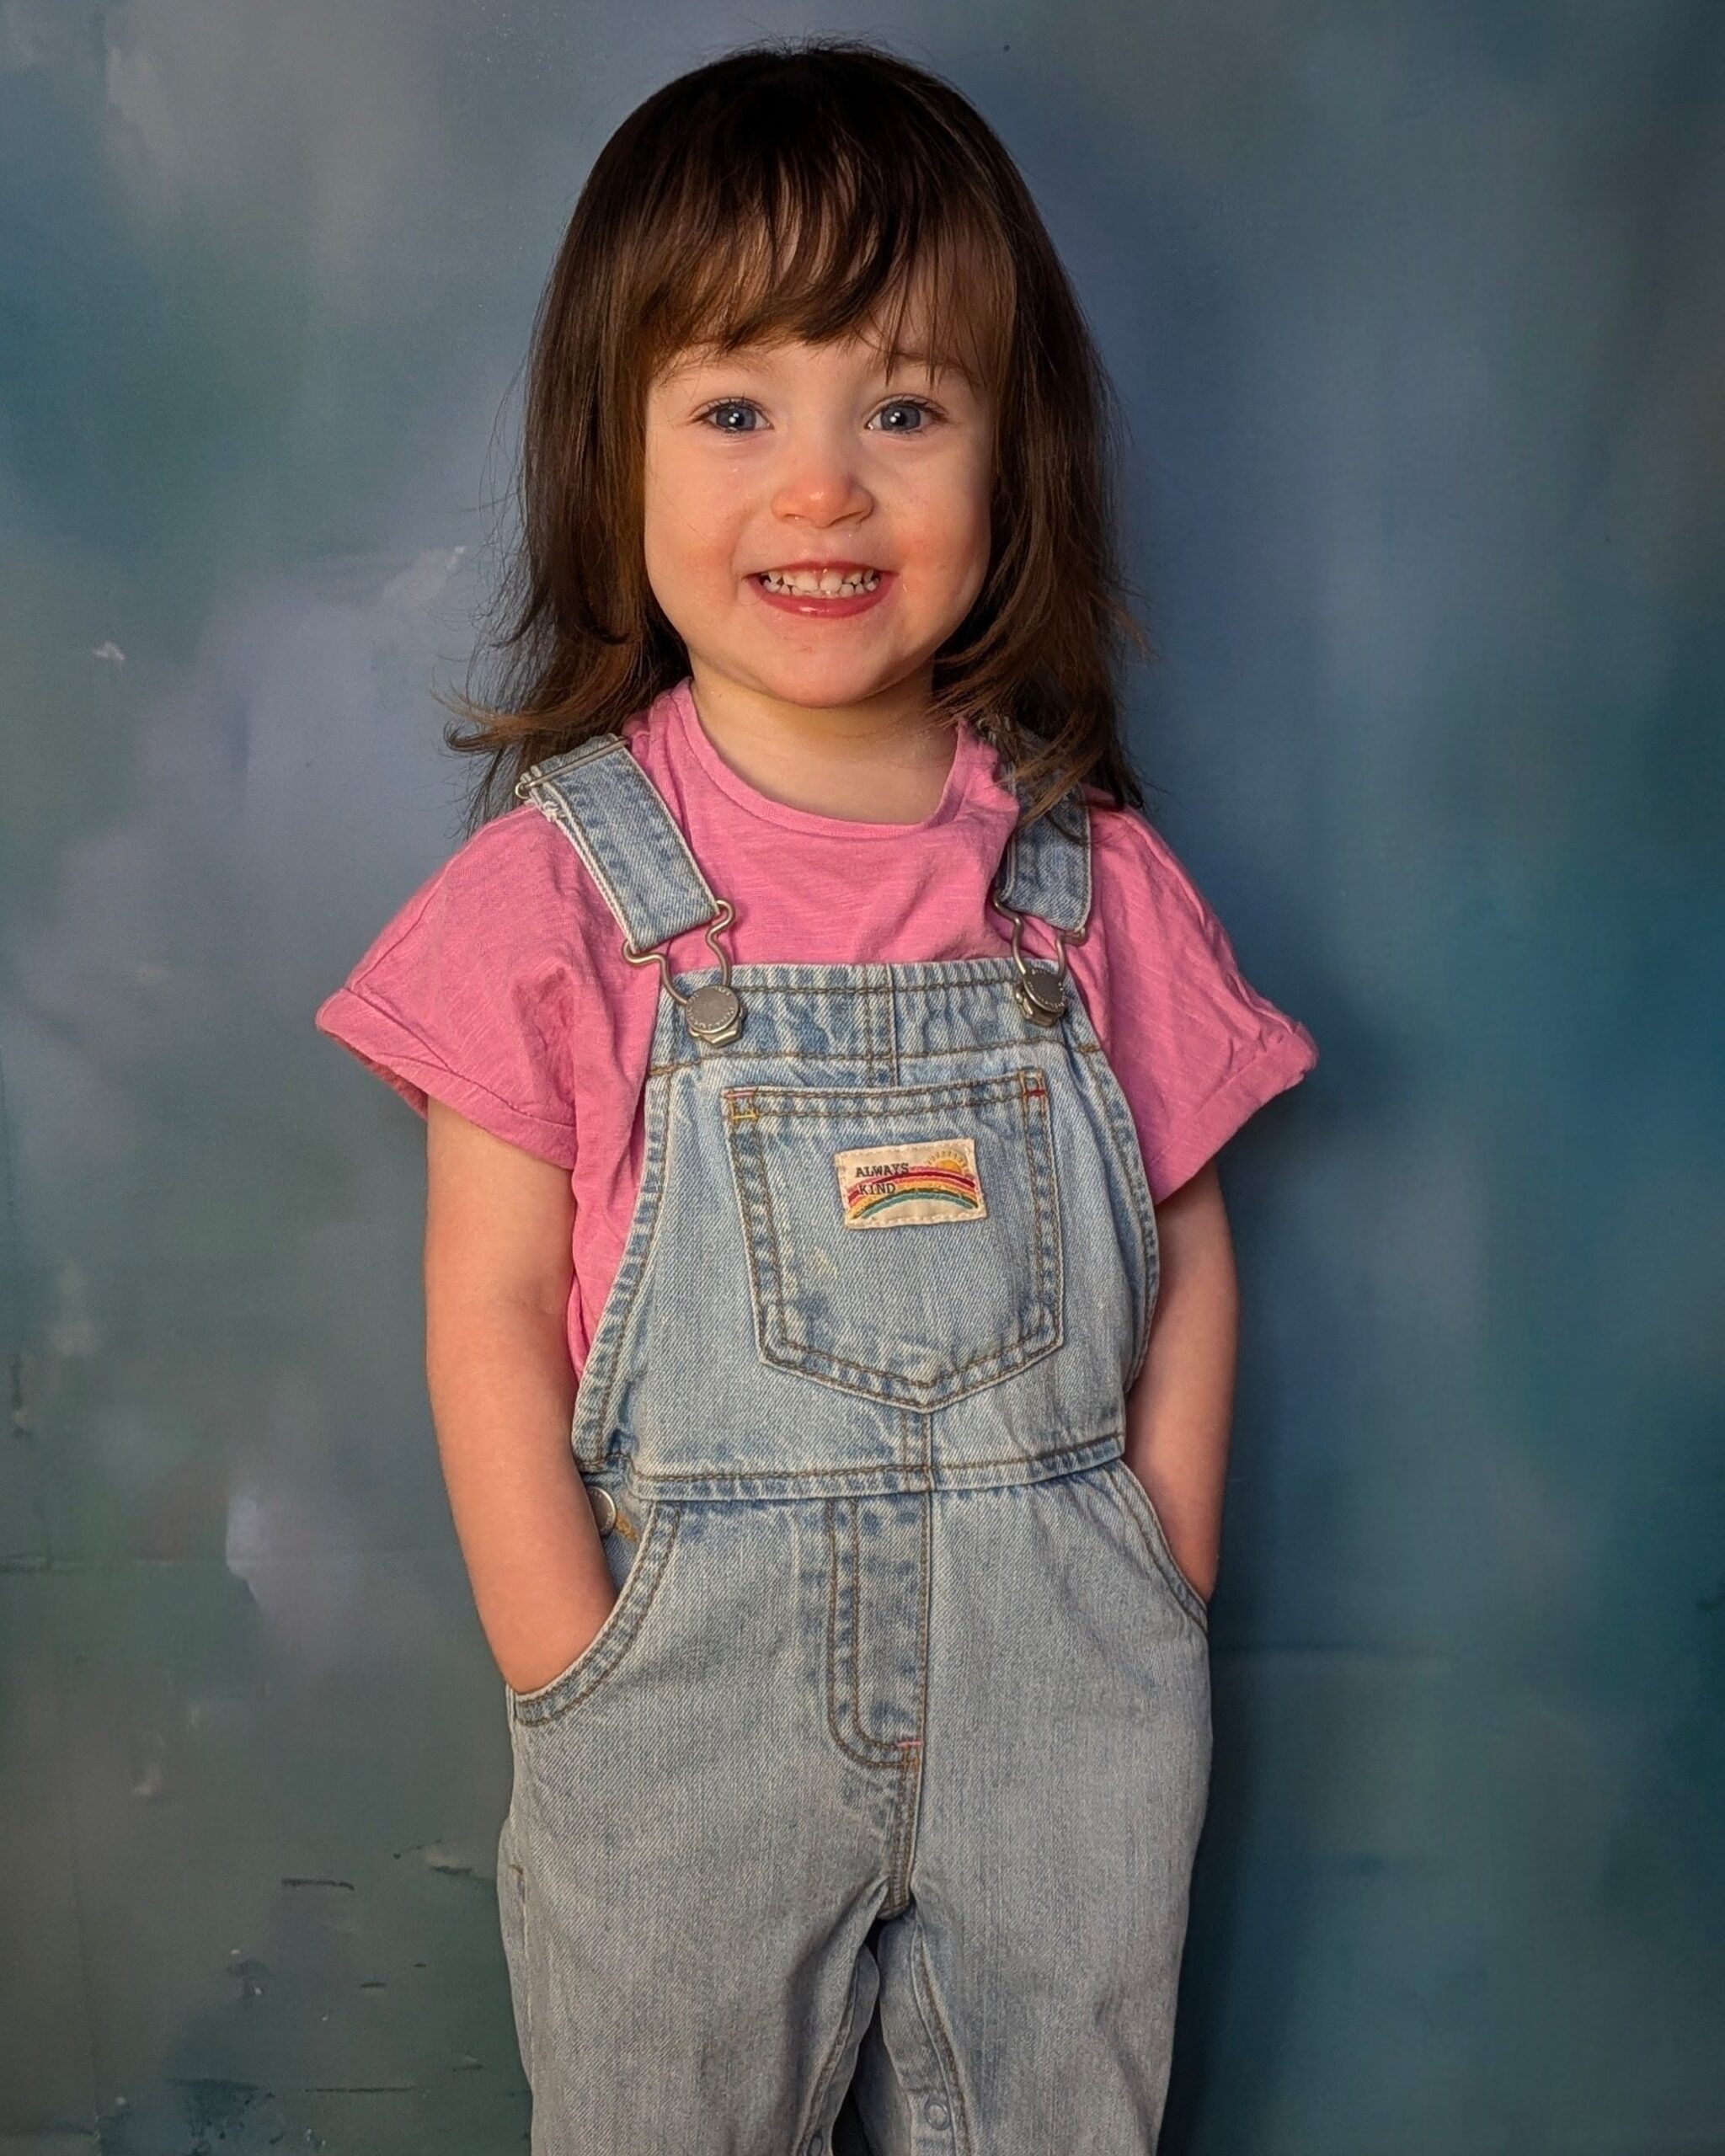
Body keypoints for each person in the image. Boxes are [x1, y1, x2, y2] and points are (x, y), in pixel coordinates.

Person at [315, 36, 1318, 2156]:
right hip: (688, 1701)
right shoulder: (558, 896)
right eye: (736, 409)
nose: (824, 485)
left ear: (1010, 459)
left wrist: (1158, 1562)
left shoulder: (1083, 877)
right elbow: (486, 1303)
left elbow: (1186, 1235)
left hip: (1069, 1682)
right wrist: (570, 1661)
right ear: (612, 451)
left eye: (904, 408)